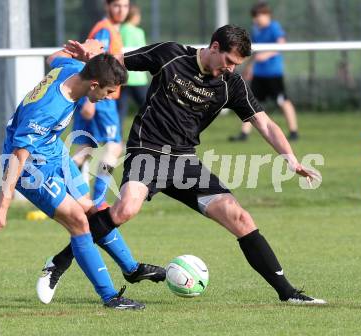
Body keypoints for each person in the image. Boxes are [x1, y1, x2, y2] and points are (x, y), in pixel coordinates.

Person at [41, 25, 326, 305]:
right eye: (228, 61)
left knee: (241, 219)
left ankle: (287, 293)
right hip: (147, 150)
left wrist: (290, 158)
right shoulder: (171, 55)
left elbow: (263, 122)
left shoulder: (232, 85)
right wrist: (87, 57)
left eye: (236, 64)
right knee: (125, 210)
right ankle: (59, 263)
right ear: (214, 47)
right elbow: (116, 64)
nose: (230, 68)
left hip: (184, 161)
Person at [0, 40, 165, 310]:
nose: (110, 98)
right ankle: (110, 297)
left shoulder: (73, 68)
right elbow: (16, 157)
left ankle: (132, 268)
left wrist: (77, 52)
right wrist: (3, 207)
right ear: (94, 85)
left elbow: (53, 57)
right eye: (109, 91)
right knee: (79, 223)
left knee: (95, 211)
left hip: (54, 151)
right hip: (31, 169)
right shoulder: (47, 109)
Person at [72, 0, 129, 210]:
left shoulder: (110, 28)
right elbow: (95, 63)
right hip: (102, 99)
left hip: (97, 96)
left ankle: (69, 191)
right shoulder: (104, 29)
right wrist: (89, 99)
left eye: (125, 6)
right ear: (107, 6)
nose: (121, 10)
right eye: (117, 5)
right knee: (113, 147)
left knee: (85, 148)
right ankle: (98, 201)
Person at [229, 2, 299, 142]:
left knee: (282, 101)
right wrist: (249, 67)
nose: (256, 19)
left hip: (273, 73)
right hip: (259, 74)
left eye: (259, 16)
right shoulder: (256, 29)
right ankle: (244, 134)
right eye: (254, 16)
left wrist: (266, 54)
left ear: (267, 15)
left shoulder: (274, 27)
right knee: (249, 103)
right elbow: (253, 52)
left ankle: (293, 131)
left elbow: (282, 44)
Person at [117, 4, 149, 130]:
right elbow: (144, 51)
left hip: (122, 77)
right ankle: (152, 134)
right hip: (138, 78)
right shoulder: (139, 32)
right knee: (149, 108)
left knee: (121, 110)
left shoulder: (119, 30)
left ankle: (116, 138)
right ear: (134, 16)